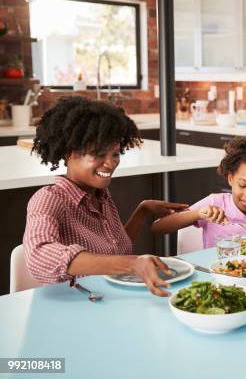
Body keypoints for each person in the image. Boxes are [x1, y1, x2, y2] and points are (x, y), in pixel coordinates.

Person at [23, 96, 189, 296]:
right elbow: (38, 255)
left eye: (115, 154)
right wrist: (131, 264)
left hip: (108, 298)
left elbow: (117, 250)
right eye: (99, 154)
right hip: (76, 304)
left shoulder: (102, 196)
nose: (110, 164)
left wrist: (143, 210)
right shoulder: (49, 199)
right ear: (68, 153)